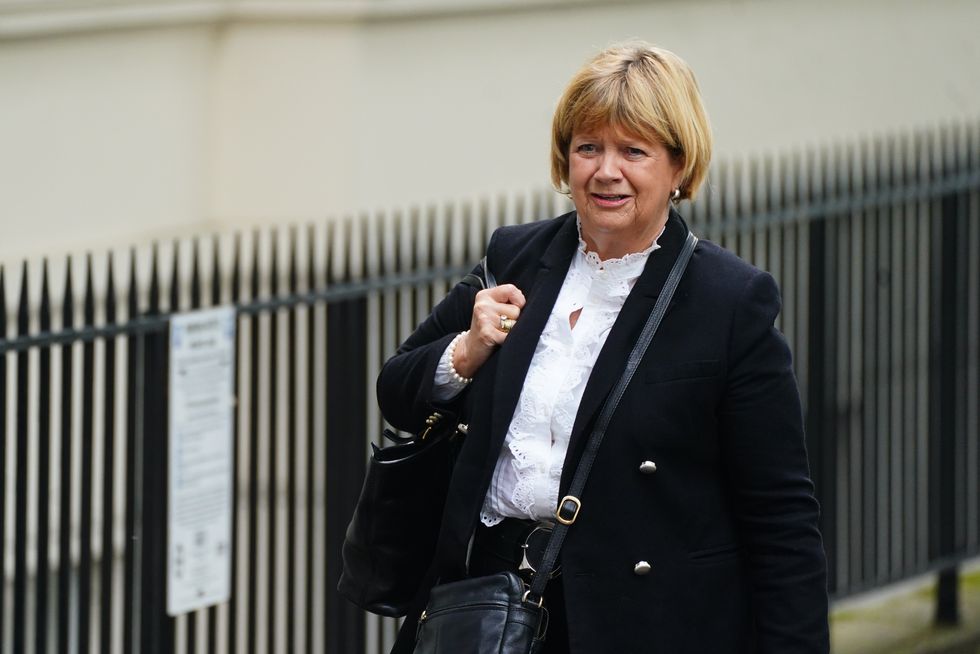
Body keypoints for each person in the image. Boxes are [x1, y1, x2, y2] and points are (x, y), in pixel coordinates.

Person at [377, 42, 829, 653]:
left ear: (678, 165)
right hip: (487, 605)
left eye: (633, 151)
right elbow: (397, 393)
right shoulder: (516, 258)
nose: (606, 171)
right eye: (588, 147)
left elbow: (781, 519)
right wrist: (466, 349)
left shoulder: (730, 302)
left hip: (638, 620)